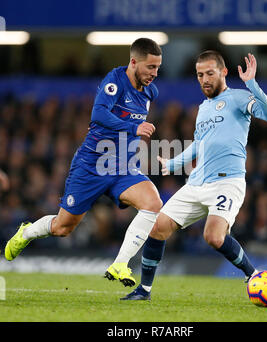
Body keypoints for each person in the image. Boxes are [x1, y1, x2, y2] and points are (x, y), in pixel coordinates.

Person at [5, 38, 163, 287]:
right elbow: (98, 115)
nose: (154, 73)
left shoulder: (150, 92)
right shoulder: (115, 80)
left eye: (157, 68)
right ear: (133, 62)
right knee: (62, 227)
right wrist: (134, 128)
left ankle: (120, 264)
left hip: (122, 167)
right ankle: (26, 232)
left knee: (153, 202)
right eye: (150, 67)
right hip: (92, 164)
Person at [122, 51, 267, 300]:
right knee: (158, 227)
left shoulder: (238, 98)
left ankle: (253, 275)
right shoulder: (203, 108)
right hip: (197, 182)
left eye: (209, 73)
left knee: (213, 236)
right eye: (199, 75)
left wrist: (251, 83)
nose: (204, 79)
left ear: (223, 72)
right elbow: (198, 144)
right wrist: (173, 163)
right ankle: (144, 290)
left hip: (227, 181)